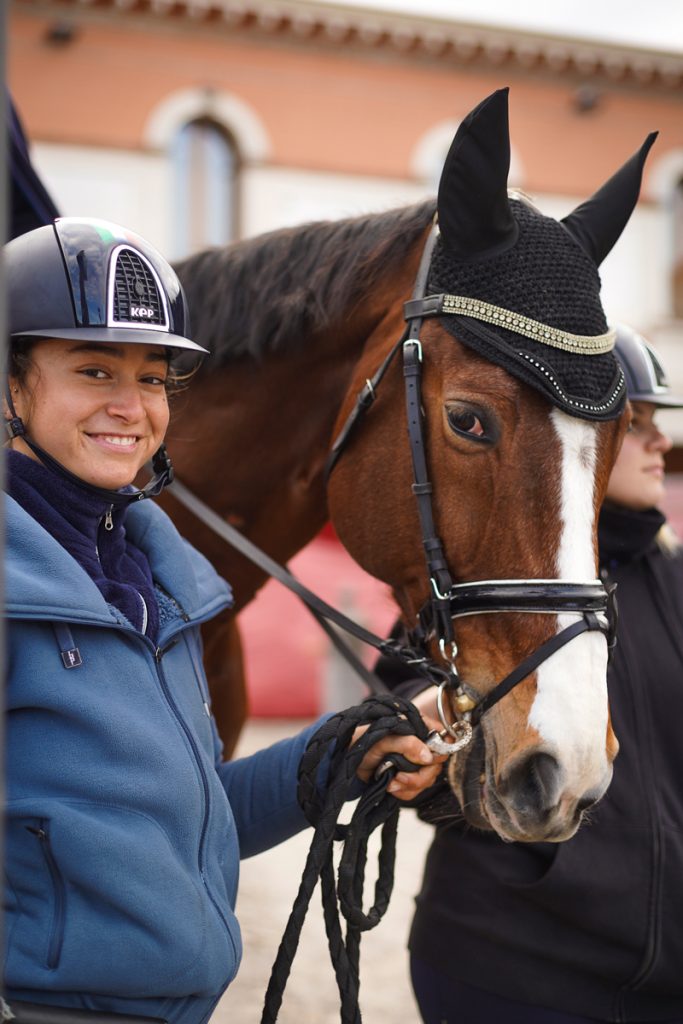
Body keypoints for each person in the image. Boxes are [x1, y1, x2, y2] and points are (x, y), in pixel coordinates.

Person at [2, 217, 446, 1024]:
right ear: (11, 384)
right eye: (93, 369)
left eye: (152, 378)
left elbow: (198, 817)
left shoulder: (156, 579)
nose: (129, 407)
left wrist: (346, 747)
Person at [394, 323, 683, 1024]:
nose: (659, 443)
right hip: (512, 967)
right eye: (636, 421)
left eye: (657, 424)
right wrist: (424, 725)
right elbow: (399, 705)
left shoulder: (672, 579)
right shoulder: (484, 573)